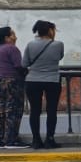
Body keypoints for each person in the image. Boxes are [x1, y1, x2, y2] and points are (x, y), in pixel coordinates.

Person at [22, 20, 65, 149]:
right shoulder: (58, 45)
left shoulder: (30, 45)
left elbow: (24, 64)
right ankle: (50, 139)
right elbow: (59, 57)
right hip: (52, 80)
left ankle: (36, 140)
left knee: (35, 110)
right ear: (50, 31)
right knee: (51, 110)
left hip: (33, 80)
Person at [0, 27, 28, 149]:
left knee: (0, 110)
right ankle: (11, 139)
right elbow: (19, 66)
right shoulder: (12, 49)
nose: (15, 37)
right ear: (7, 38)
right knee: (14, 110)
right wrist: (26, 72)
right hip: (12, 81)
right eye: (13, 34)